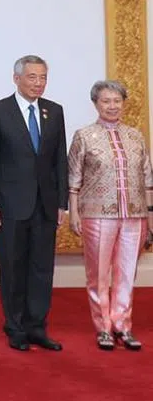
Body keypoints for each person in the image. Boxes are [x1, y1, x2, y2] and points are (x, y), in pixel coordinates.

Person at [0, 55, 68, 352]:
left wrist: (61, 202)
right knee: (13, 268)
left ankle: (37, 327)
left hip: (45, 204)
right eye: (32, 77)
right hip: (10, 205)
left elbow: (59, 160)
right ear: (16, 78)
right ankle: (15, 327)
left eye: (43, 77)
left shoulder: (54, 111)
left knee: (42, 269)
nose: (38, 83)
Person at [67, 80, 151, 351]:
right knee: (99, 274)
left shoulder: (135, 136)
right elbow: (73, 180)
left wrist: (150, 216)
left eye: (117, 100)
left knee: (127, 273)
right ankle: (103, 327)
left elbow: (147, 179)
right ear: (96, 104)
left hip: (135, 214)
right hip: (96, 215)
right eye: (106, 101)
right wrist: (74, 213)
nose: (112, 106)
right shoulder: (84, 136)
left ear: (123, 103)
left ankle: (122, 325)